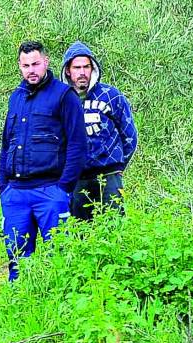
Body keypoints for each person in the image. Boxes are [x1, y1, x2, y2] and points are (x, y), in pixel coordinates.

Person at [0, 41, 87, 281]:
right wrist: (2, 187)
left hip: (51, 190)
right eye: (26, 65)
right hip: (15, 193)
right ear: (19, 66)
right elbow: (6, 143)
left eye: (36, 64)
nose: (31, 70)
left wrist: (64, 188)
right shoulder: (15, 97)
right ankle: (19, 308)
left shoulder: (64, 96)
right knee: (17, 258)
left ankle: (58, 308)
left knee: (58, 257)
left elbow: (78, 145)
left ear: (46, 62)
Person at [60, 41, 138, 220]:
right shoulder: (61, 99)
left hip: (109, 175)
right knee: (80, 232)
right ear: (68, 70)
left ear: (92, 68)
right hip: (77, 177)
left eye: (86, 67)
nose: (82, 72)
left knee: (114, 228)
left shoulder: (111, 95)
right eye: (77, 67)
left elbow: (130, 135)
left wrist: (118, 165)